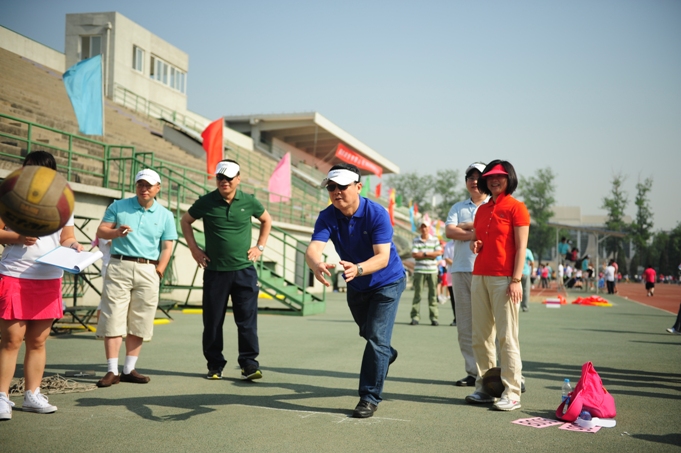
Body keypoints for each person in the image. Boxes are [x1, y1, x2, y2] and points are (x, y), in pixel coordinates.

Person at [305, 164, 406, 419]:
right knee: (370, 335)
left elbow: (382, 258)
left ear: (358, 187)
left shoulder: (377, 214)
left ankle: (369, 397)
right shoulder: (327, 215)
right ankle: (386, 354)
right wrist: (316, 264)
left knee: (376, 339)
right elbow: (314, 248)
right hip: (356, 284)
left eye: (342, 186)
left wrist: (359, 268)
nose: (336, 191)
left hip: (387, 282)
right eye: (331, 187)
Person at [0, 151, 83, 419]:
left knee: (37, 341)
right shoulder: (11, 195)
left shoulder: (63, 200)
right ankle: (2, 397)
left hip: (48, 277)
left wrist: (74, 245)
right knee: (11, 340)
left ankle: (32, 394)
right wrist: (17, 237)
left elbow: (66, 237)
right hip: (15, 275)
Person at [181, 160, 272, 381]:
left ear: (238, 179)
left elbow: (266, 220)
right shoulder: (206, 201)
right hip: (215, 272)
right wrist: (194, 249)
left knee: (247, 321)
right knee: (213, 322)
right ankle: (214, 365)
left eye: (229, 178)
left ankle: (249, 364)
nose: (225, 181)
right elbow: (185, 221)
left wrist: (259, 247)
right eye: (220, 177)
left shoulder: (249, 201)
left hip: (244, 271)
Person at [95, 169, 177, 388]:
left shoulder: (166, 215)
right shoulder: (118, 206)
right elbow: (101, 231)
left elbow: (167, 246)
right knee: (113, 316)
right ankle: (112, 370)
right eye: (140, 184)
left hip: (149, 269)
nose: (144, 189)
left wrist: (160, 270)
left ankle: (128, 369)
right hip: (119, 265)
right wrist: (116, 233)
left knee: (141, 319)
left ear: (158, 188)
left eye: (149, 185)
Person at [465, 160, 530, 412]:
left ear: (509, 178)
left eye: (500, 176)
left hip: (505, 279)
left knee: (507, 336)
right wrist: (475, 244)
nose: (494, 180)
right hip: (479, 276)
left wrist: (516, 280)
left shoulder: (517, 208)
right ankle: (484, 387)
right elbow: (476, 240)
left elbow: (522, 248)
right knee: (480, 336)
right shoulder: (482, 210)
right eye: (490, 176)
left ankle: (512, 392)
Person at [445, 162, 488, 387]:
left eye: (479, 177)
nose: (474, 181)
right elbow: (449, 231)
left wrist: (467, 227)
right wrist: (476, 233)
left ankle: (493, 371)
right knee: (465, 325)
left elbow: (491, 231)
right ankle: (473, 372)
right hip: (461, 269)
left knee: (489, 324)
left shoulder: (493, 205)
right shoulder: (458, 207)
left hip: (487, 271)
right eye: (470, 177)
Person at [410, 220, 442, 326]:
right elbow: (414, 254)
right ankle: (415, 316)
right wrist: (430, 254)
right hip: (419, 270)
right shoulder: (416, 240)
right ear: (420, 228)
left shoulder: (434, 239)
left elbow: (438, 252)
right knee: (417, 294)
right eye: (422, 227)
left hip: (432, 271)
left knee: (433, 295)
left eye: (426, 227)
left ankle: (434, 317)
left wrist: (423, 253)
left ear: (429, 228)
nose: (424, 229)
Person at [442, 239, 457, 326]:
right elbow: (446, 258)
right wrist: (458, 264)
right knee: (453, 298)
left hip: (466, 273)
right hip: (451, 273)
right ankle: (456, 318)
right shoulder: (449, 244)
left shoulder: (467, 241)